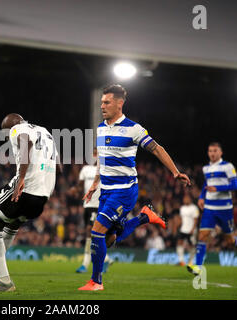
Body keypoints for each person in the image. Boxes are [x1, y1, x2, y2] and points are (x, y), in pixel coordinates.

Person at [78, 84, 191, 291]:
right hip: (106, 191)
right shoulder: (101, 127)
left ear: (120, 103)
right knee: (109, 239)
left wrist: (175, 172)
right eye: (101, 102)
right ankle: (144, 217)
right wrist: (96, 182)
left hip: (124, 191)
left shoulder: (133, 128)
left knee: (96, 232)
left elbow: (157, 149)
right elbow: (102, 159)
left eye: (106, 102)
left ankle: (96, 282)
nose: (102, 105)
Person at [0, 113, 59, 292]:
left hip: (27, 188)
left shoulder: (18, 129)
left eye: (6, 133)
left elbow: (26, 143)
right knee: (13, 224)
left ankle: (4, 281)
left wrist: (21, 177)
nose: (8, 137)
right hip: (44, 194)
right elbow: (58, 165)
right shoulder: (45, 132)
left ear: (11, 126)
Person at [187, 142, 237, 276]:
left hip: (225, 209)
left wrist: (218, 188)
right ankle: (198, 266)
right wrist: (201, 197)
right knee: (202, 235)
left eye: (215, 151)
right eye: (210, 151)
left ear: (220, 153)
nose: (212, 153)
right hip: (209, 208)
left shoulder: (228, 167)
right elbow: (207, 184)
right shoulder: (206, 168)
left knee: (229, 240)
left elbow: (235, 185)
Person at [71, 148, 114, 274]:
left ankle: (86, 264)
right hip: (88, 205)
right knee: (92, 234)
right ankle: (105, 259)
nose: (93, 156)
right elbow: (80, 186)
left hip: (99, 204)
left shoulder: (104, 169)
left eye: (95, 154)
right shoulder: (85, 169)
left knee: (90, 234)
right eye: (92, 154)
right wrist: (75, 190)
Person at [176, 194, 199, 266]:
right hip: (183, 229)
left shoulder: (194, 208)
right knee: (179, 242)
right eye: (184, 198)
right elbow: (181, 219)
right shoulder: (182, 208)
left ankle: (191, 261)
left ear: (190, 199)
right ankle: (181, 261)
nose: (185, 200)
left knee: (192, 245)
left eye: (186, 198)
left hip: (191, 230)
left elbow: (196, 220)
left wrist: (193, 229)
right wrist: (178, 226)